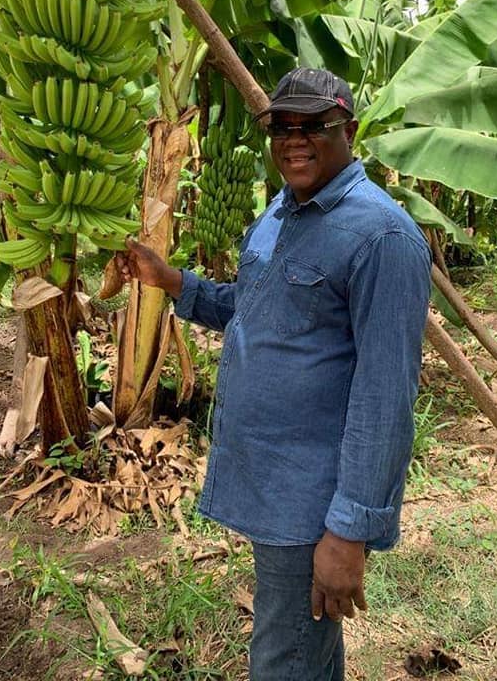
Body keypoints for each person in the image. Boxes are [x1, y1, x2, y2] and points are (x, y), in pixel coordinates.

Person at [122, 68, 431, 681]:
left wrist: (349, 531)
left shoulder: (382, 238)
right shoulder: (281, 213)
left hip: (311, 502)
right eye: (282, 126)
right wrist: (174, 282)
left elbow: (385, 398)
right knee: (302, 651)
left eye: (314, 126)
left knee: (282, 660)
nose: (295, 139)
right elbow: (254, 307)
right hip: (267, 483)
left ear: (349, 129)